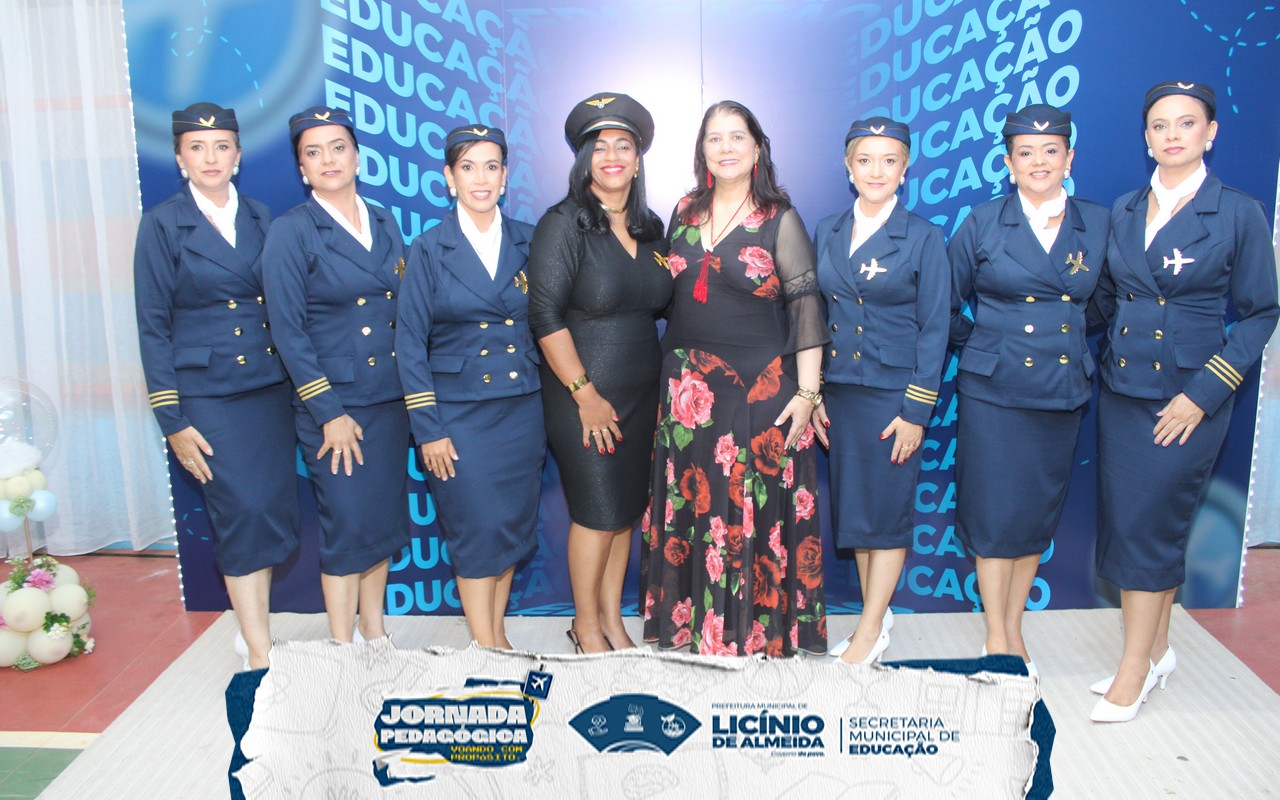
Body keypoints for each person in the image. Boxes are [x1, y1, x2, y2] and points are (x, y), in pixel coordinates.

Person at [1089, 82, 1278, 722]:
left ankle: (1133, 670)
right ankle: (1158, 650)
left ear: (1210, 132)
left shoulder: (1238, 211)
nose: (1172, 135)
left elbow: (1260, 313)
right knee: (1131, 522)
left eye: (1187, 123)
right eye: (1160, 125)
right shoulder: (1124, 208)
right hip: (1123, 391)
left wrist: (1203, 394)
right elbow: (1107, 300)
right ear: (1146, 138)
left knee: (1151, 525)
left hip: (1188, 399)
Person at [640, 100, 829, 657]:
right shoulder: (684, 211)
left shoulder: (779, 218)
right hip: (687, 396)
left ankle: (751, 633)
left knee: (749, 510)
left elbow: (806, 308)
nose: (725, 148)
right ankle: (694, 626)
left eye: (737, 137)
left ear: (757, 148)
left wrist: (808, 393)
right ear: (701, 150)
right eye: (714, 138)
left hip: (758, 392)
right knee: (697, 509)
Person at [134, 102, 297, 671]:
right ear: (180, 159)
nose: (211, 157)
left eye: (222, 146)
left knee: (268, 512)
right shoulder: (162, 224)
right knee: (241, 510)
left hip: (268, 388)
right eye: (197, 148)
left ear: (238, 155)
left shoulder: (260, 215)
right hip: (208, 394)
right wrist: (172, 419)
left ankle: (253, 628)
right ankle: (260, 652)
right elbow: (152, 326)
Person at [948, 104, 1109, 678]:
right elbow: (943, 302)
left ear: (1069, 158)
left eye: (1050, 151)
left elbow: (1104, 305)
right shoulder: (983, 221)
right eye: (1026, 152)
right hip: (994, 391)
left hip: (1058, 390)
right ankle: (998, 637)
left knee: (1033, 517)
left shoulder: (1098, 222)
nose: (1039, 161)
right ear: (1009, 162)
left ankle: (1014, 626)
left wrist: (1065, 338)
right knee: (994, 516)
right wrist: (986, 344)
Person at [527, 92, 672, 654]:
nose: (612, 156)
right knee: (596, 513)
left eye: (623, 146)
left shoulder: (652, 228)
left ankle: (612, 620)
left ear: (638, 159)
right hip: (582, 397)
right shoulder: (563, 224)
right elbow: (544, 315)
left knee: (625, 512)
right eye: (600, 146)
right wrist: (585, 394)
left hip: (642, 394)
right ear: (583, 158)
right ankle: (584, 625)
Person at [263, 106, 410, 644]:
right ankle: (342, 649)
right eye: (313, 152)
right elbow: (288, 331)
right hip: (335, 406)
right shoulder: (291, 231)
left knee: (380, 524)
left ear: (357, 157)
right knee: (347, 526)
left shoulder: (384, 220)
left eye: (338, 147)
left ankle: (375, 634)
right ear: (302, 168)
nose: (328, 159)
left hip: (389, 400)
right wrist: (329, 413)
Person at [395, 124, 543, 649]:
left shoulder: (531, 240)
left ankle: (495, 636)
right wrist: (428, 429)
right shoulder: (429, 248)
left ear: (505, 177)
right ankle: (487, 649)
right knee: (476, 531)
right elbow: (409, 343)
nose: (480, 179)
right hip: (458, 416)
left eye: (491, 167)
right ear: (449, 177)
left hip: (522, 411)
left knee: (508, 529)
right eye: (468, 167)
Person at [814, 118, 949, 664]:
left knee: (886, 515)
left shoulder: (923, 236)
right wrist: (814, 391)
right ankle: (876, 617)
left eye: (889, 160)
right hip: (842, 393)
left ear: (905, 168)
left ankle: (868, 633)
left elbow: (936, 328)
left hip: (894, 395)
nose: (876, 171)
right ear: (848, 167)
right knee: (860, 516)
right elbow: (814, 315)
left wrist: (916, 410)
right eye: (865, 160)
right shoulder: (827, 229)